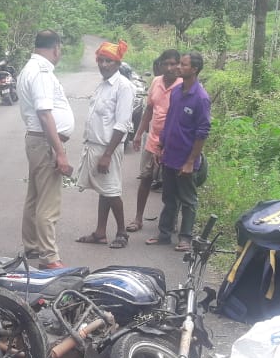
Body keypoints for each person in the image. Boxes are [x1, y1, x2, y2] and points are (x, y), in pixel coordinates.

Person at [17, 30, 74, 270]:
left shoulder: (30, 68)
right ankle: (49, 257)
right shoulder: (41, 72)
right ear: (56, 48)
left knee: (35, 196)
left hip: (37, 141)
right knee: (48, 203)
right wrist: (59, 152)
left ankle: (32, 245)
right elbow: (44, 113)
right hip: (44, 142)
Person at [145, 52, 211, 253]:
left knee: (188, 200)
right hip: (170, 155)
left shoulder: (201, 98)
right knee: (169, 197)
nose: (178, 67)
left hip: (186, 159)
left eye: (183, 64)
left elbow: (202, 132)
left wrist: (191, 161)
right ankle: (164, 234)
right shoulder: (176, 92)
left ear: (195, 69)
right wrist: (160, 146)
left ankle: (185, 238)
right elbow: (170, 122)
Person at [74, 40, 136, 250]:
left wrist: (107, 154)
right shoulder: (102, 85)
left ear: (118, 63)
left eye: (108, 61)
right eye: (100, 60)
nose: (103, 64)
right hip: (96, 146)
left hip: (108, 148)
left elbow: (122, 124)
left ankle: (122, 232)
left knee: (111, 190)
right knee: (104, 190)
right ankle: (100, 233)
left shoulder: (124, 87)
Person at [128, 49, 181, 233]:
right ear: (160, 65)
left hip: (173, 143)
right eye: (166, 64)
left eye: (173, 64)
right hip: (152, 140)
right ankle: (138, 218)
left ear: (179, 65)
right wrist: (138, 134)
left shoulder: (183, 85)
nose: (169, 68)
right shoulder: (156, 82)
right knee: (145, 178)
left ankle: (171, 221)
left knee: (172, 184)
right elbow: (149, 110)